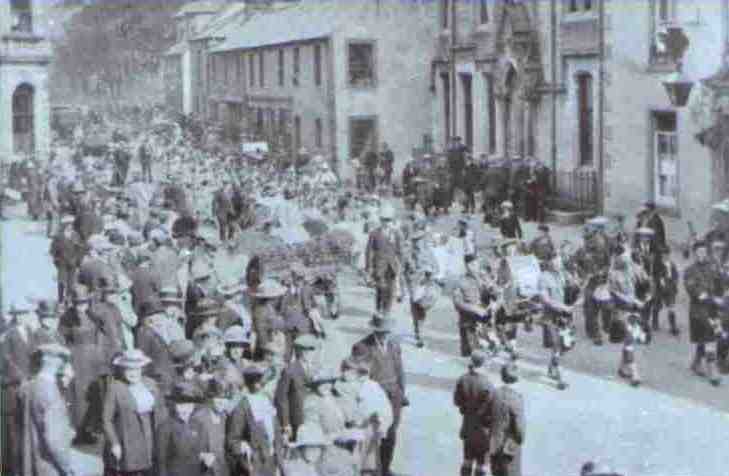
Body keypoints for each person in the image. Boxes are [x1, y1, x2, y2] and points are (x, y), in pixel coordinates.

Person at [19, 343, 103, 476]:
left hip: (33, 460)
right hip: (51, 465)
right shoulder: (51, 393)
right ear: (59, 364)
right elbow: (55, 442)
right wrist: (68, 467)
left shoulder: (29, 386)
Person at [351, 314, 408, 476]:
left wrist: (401, 392)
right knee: (375, 434)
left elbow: (400, 370)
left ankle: (385, 468)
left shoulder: (394, 345)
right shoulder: (362, 347)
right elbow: (358, 375)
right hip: (376, 397)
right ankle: (374, 468)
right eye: (381, 331)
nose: (384, 334)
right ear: (375, 330)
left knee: (391, 433)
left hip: (394, 396)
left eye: (387, 331)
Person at [103, 349, 166, 476]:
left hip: (151, 437)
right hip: (128, 441)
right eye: (129, 369)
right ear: (122, 370)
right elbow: (106, 420)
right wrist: (115, 443)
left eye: (137, 369)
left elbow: (161, 410)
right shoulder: (115, 388)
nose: (133, 373)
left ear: (142, 369)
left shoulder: (150, 384)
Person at [0, 304, 38, 475]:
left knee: (28, 427)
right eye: (18, 314)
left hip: (29, 385)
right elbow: (7, 360)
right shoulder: (8, 335)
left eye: (24, 313)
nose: (21, 317)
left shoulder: (30, 332)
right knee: (14, 431)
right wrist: (19, 377)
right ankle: (14, 468)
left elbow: (35, 357)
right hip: (14, 388)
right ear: (14, 316)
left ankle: (27, 465)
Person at [227, 365, 280, 476]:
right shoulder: (242, 407)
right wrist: (243, 447)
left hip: (271, 462)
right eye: (258, 383)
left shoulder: (268, 402)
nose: (261, 386)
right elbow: (232, 440)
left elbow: (275, 432)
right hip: (254, 464)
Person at [684, 241, 723, 386]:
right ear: (695, 254)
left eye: (704, 252)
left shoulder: (712, 268)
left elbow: (719, 285)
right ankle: (712, 370)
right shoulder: (689, 271)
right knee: (709, 336)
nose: (702, 255)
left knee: (705, 336)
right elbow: (695, 292)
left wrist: (720, 296)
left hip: (711, 309)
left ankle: (696, 363)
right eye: (699, 252)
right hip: (697, 310)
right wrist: (713, 298)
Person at [156, 382, 215, 476]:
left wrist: (207, 460)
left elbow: (203, 455)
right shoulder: (165, 427)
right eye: (180, 404)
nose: (185, 409)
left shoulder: (199, 426)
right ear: (173, 404)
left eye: (189, 404)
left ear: (194, 406)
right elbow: (161, 462)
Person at [453, 351, 496, 476]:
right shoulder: (488, 384)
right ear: (484, 363)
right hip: (484, 430)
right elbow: (491, 408)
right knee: (482, 464)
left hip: (468, 426)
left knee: (467, 460)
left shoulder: (463, 379)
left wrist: (466, 408)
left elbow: (457, 401)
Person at [538, 253, 575, 390]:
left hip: (564, 317)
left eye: (560, 262)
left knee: (566, 345)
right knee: (557, 346)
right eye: (556, 262)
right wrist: (563, 307)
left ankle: (551, 367)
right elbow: (545, 300)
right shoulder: (543, 277)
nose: (559, 264)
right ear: (550, 262)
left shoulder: (562, 275)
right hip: (550, 318)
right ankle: (560, 378)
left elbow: (572, 289)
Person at [275, 334, 320, 442]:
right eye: (305, 350)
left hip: (313, 419)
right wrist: (285, 423)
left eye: (312, 350)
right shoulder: (289, 370)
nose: (309, 354)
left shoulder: (317, 369)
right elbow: (282, 399)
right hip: (296, 420)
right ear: (298, 351)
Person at [365, 205, 403, 317]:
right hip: (379, 266)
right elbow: (369, 251)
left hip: (392, 266)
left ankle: (387, 311)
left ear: (392, 220)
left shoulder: (396, 233)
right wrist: (369, 267)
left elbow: (400, 251)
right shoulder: (374, 233)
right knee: (380, 288)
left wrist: (401, 265)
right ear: (380, 220)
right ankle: (378, 308)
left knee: (391, 290)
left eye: (388, 220)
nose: (386, 222)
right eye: (384, 220)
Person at [488, 363, 525, 476]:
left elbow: (485, 417)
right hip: (509, 446)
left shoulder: (494, 394)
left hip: (494, 442)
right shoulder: (516, 399)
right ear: (517, 378)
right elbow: (520, 431)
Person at [453, 256, 492, 357]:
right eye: (472, 265)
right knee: (471, 353)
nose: (475, 267)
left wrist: (489, 285)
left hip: (485, 321)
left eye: (476, 264)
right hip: (468, 322)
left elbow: (494, 294)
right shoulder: (460, 281)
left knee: (487, 352)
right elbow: (457, 303)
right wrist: (474, 309)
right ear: (466, 266)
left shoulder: (485, 278)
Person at [192, 379, 233, 476]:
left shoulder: (226, 417)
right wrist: (201, 456)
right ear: (210, 398)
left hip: (223, 469)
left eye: (226, 398)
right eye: (218, 398)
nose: (222, 402)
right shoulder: (198, 419)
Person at [50, 216, 85, 304]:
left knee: (71, 283)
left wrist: (78, 260)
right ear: (63, 225)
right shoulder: (58, 236)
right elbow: (52, 250)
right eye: (67, 224)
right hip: (62, 263)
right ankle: (61, 299)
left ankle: (69, 299)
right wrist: (56, 259)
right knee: (61, 281)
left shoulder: (76, 235)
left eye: (71, 224)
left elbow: (80, 249)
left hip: (73, 263)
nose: (70, 226)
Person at [654, 245, 680, 336]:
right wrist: (660, 281)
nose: (665, 256)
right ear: (661, 256)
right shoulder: (658, 265)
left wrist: (675, 282)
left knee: (671, 306)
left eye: (667, 254)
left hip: (670, 287)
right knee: (657, 306)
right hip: (660, 288)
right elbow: (656, 276)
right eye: (663, 255)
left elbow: (676, 275)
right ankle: (655, 322)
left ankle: (673, 326)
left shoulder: (672, 264)